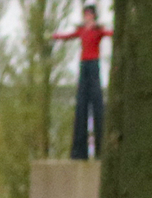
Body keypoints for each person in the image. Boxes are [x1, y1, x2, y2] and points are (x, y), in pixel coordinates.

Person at [55, 6, 111, 161]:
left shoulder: (98, 30)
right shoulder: (81, 30)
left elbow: (109, 33)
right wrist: (54, 36)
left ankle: (100, 148)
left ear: (93, 16)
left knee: (97, 101)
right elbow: (68, 36)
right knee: (81, 103)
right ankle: (80, 151)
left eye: (89, 15)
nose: (87, 17)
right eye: (85, 15)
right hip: (84, 65)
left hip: (93, 64)